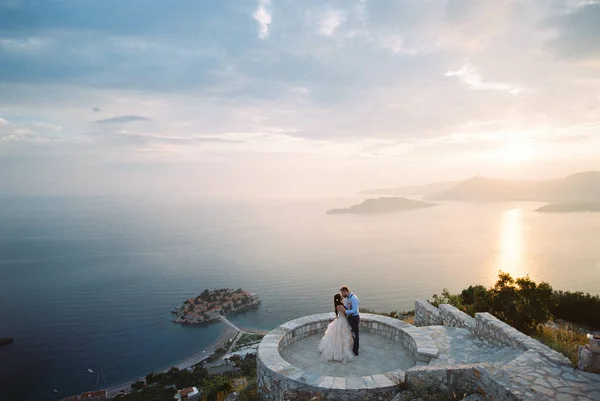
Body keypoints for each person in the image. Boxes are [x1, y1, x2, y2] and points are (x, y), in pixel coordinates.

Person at [317, 294, 356, 363]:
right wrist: (349, 305)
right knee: (342, 337)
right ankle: (340, 353)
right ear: (340, 299)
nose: (342, 298)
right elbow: (346, 314)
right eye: (341, 297)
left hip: (339, 320)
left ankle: (337, 351)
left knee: (337, 337)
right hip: (343, 321)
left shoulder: (337, 306)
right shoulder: (340, 306)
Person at [340, 286, 359, 356]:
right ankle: (352, 348)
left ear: (345, 291)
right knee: (351, 333)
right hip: (350, 318)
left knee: (355, 334)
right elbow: (346, 307)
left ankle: (355, 351)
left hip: (354, 318)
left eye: (342, 293)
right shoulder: (348, 298)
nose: (342, 295)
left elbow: (355, 310)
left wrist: (345, 311)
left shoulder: (353, 298)